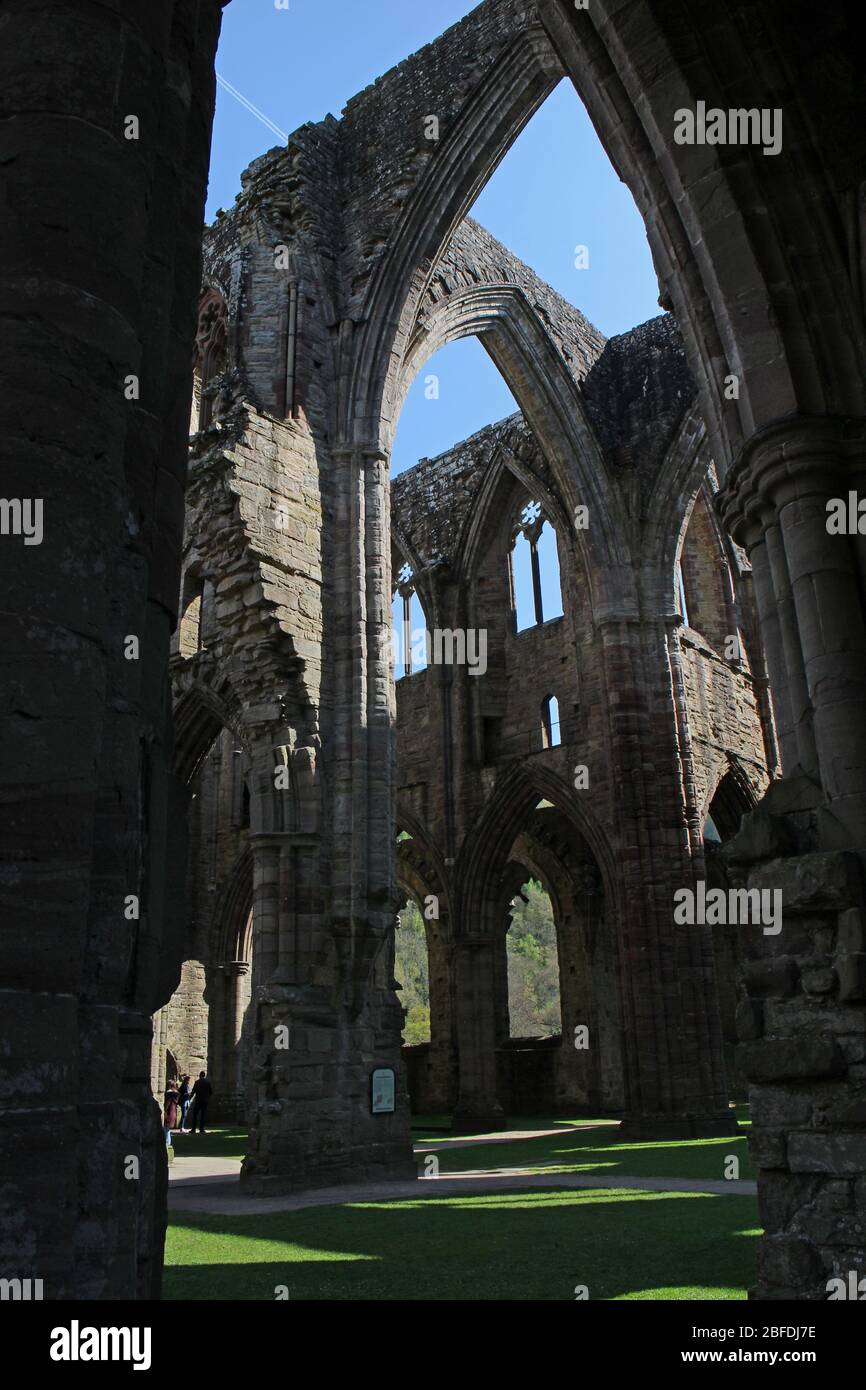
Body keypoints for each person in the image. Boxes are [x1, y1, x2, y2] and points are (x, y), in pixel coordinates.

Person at [163, 1081, 179, 1148]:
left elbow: (168, 1103)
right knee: (168, 1130)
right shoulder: (177, 1094)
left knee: (166, 1129)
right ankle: (168, 1143)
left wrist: (165, 1110)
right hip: (173, 1112)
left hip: (169, 1112)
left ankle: (167, 1144)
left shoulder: (169, 1094)